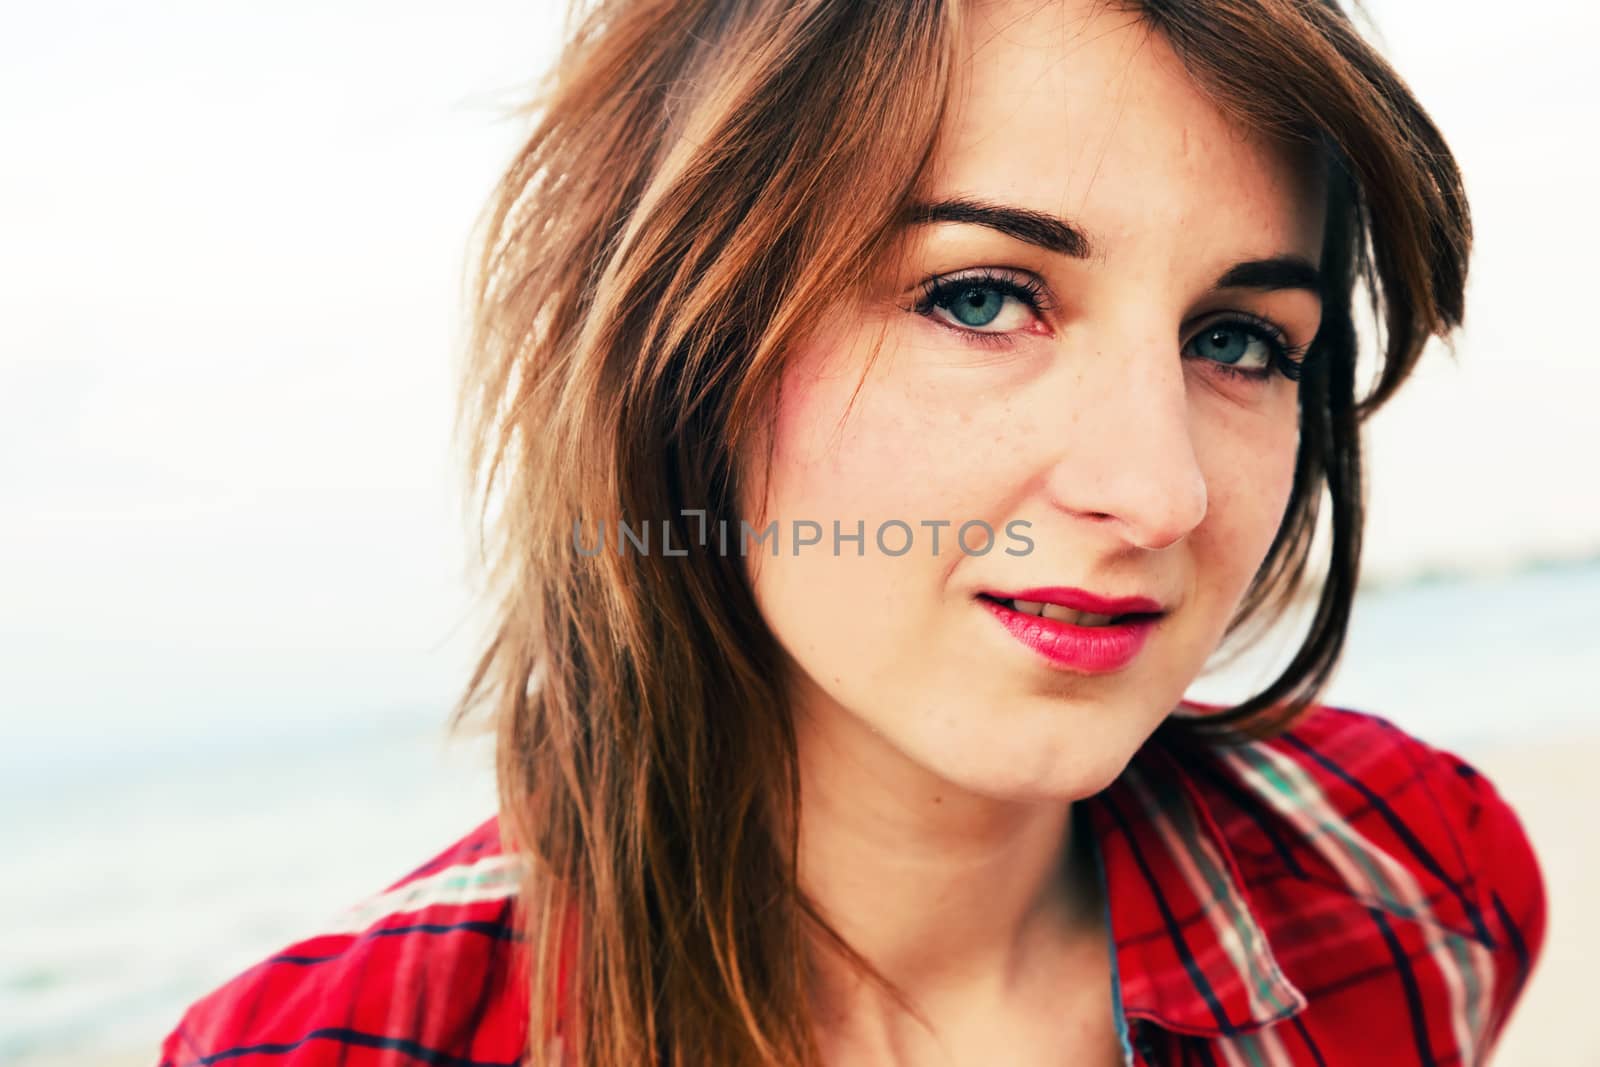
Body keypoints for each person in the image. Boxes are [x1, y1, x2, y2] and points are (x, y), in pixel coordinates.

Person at [157, 0, 1548, 1064]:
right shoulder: (348, 1040)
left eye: (1240, 339)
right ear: (682, 353)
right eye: (983, 299)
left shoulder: (1407, 875)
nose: (1159, 489)